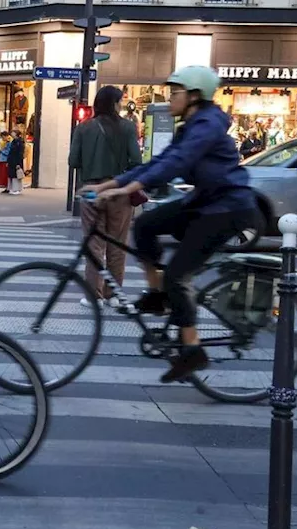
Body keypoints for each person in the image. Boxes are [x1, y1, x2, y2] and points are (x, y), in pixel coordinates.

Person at [84, 66, 257, 383]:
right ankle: (157, 294)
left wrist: (129, 188)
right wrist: (114, 183)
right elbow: (159, 162)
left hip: (227, 208)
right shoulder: (190, 124)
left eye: (174, 93)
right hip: (206, 202)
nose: (168, 98)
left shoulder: (206, 125)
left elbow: (178, 163)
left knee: (177, 273)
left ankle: (192, 351)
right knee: (146, 225)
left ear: (194, 96)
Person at [69, 85, 142, 307]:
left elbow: (73, 161)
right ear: (113, 103)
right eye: (119, 101)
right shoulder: (128, 128)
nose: (121, 105)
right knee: (117, 245)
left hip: (92, 191)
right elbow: (137, 161)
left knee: (94, 245)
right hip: (118, 190)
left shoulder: (83, 128)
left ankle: (94, 295)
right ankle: (113, 294)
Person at [6, 130, 25, 194]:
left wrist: (18, 163)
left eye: (13, 132)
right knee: (12, 175)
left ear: (16, 134)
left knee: (16, 175)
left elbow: (20, 153)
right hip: (12, 160)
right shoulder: (13, 141)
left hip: (16, 160)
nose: (11, 133)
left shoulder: (19, 142)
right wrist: (8, 161)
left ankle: (17, 189)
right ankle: (12, 188)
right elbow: (10, 152)